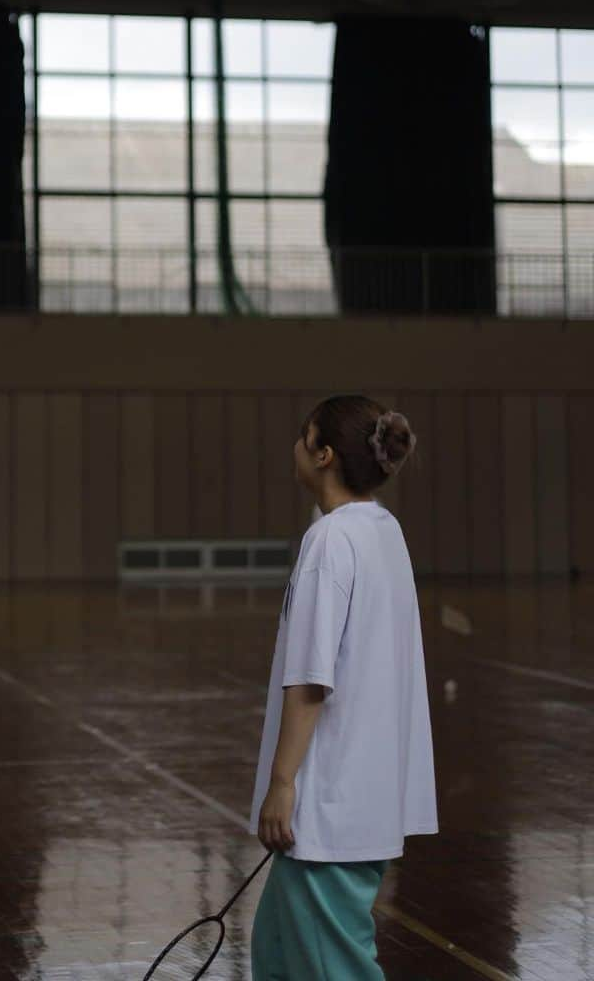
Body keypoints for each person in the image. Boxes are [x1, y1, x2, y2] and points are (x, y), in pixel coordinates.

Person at [249, 396, 437, 979]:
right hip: (364, 798)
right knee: (276, 954)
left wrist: (282, 784)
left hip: (329, 808)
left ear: (323, 454)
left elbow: (310, 679)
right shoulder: (384, 531)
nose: (295, 447)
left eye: (303, 437)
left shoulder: (331, 541)